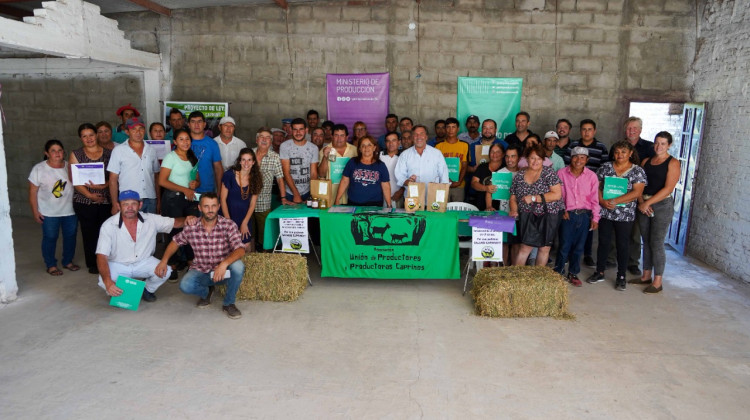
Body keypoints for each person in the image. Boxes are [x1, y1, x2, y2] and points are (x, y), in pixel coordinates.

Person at [157, 193, 247, 319]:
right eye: (206, 206)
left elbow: (240, 249)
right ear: (199, 208)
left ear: (219, 207)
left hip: (223, 272)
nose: (210, 210)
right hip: (202, 270)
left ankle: (229, 303)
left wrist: (224, 264)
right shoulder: (192, 226)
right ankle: (207, 292)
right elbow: (175, 242)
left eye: (213, 206)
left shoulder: (228, 225)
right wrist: (164, 261)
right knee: (185, 285)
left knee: (238, 266)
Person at [96, 190, 196, 302]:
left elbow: (176, 222)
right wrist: (108, 282)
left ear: (140, 205)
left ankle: (147, 289)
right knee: (103, 280)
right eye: (125, 204)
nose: (130, 207)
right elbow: (101, 256)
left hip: (143, 261)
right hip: (118, 263)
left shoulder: (151, 219)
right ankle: (117, 290)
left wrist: (188, 219)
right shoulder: (108, 226)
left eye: (133, 203)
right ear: (118, 206)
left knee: (166, 271)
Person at [586, 141, 647, 291]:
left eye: (623, 152)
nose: (620, 155)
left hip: (625, 215)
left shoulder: (637, 171)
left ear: (630, 153)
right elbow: (597, 187)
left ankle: (621, 276)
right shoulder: (605, 167)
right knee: (604, 242)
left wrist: (614, 201)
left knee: (623, 244)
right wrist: (601, 200)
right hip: (606, 212)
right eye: (617, 152)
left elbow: (637, 193)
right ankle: (599, 271)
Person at [632, 132, 681, 294]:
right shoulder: (646, 161)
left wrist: (648, 203)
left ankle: (657, 281)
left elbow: (668, 188)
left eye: (663, 144)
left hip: (661, 205)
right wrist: (641, 202)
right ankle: (646, 275)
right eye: (657, 143)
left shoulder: (673, 163)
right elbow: (638, 184)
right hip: (644, 204)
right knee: (645, 240)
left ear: (669, 145)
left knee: (657, 242)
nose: (659, 147)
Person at [28, 139, 78, 276]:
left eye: (60, 150)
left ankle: (67, 261)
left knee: (71, 236)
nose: (57, 153)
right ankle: (51, 264)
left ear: (64, 152)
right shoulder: (39, 169)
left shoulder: (69, 167)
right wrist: (35, 211)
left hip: (69, 211)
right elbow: (32, 192)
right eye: (53, 151)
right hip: (48, 212)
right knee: (50, 237)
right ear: (47, 153)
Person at [508, 143, 564, 266]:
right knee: (525, 247)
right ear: (527, 158)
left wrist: (534, 198)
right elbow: (513, 197)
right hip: (527, 215)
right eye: (533, 158)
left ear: (543, 160)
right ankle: (516, 279)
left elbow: (557, 194)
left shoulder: (548, 172)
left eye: (539, 158)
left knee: (544, 248)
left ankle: (538, 279)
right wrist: (514, 210)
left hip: (549, 215)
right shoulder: (519, 176)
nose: (535, 161)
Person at [614, 116, 655, 276]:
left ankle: (632, 262)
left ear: (640, 130)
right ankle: (611, 259)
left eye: (635, 128)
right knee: (613, 230)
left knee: (635, 232)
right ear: (625, 130)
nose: (632, 131)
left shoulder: (649, 147)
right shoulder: (616, 146)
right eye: (629, 128)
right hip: (617, 193)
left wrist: (640, 196)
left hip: (639, 195)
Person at [554, 147, 600, 286]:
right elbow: (558, 195)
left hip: (584, 216)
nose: (578, 160)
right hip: (567, 215)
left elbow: (594, 199)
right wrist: (562, 210)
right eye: (575, 156)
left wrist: (595, 218)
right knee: (564, 245)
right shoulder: (561, 173)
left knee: (579, 248)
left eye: (582, 157)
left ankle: (573, 272)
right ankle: (558, 271)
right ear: (570, 158)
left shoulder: (592, 176)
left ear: (587, 160)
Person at [70, 123, 112, 274]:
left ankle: (107, 261)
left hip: (106, 199)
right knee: (89, 233)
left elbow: (114, 176)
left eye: (91, 135)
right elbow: (75, 180)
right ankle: (93, 264)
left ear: (96, 135)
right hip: (85, 201)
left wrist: (104, 186)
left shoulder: (108, 153)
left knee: (106, 232)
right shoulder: (76, 154)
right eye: (84, 136)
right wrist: (90, 195)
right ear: (80, 138)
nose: (89, 139)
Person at [159, 129, 201, 279]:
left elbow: (197, 179)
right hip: (172, 200)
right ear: (175, 142)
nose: (185, 142)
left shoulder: (192, 157)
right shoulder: (170, 157)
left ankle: (191, 263)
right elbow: (162, 181)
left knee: (192, 230)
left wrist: (195, 183)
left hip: (190, 199)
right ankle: (172, 266)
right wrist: (184, 189)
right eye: (181, 139)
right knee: (174, 233)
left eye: (187, 139)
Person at [568, 119, 609, 267]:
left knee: (589, 226)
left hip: (592, 189)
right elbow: (568, 166)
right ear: (580, 131)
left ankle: (588, 255)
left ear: (594, 131)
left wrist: (599, 189)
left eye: (589, 129)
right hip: (573, 189)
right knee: (571, 228)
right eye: (584, 129)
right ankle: (570, 255)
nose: (586, 132)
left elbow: (605, 169)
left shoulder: (601, 147)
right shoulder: (573, 145)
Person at [108, 117, 160, 215]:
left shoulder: (151, 150)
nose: (138, 132)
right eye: (134, 129)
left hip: (150, 199)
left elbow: (156, 176)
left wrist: (158, 201)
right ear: (127, 132)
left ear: (144, 131)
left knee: (151, 229)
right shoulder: (118, 150)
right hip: (128, 200)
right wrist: (115, 204)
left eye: (141, 129)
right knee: (130, 229)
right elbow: (113, 179)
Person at [394, 125, 450, 205]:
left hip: (433, 201)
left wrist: (441, 197)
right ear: (413, 137)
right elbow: (399, 175)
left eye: (421, 134)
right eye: (415, 134)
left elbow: (444, 176)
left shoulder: (436, 153)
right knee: (412, 217)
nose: (418, 137)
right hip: (412, 201)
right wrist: (407, 181)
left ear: (426, 137)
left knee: (432, 217)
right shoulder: (405, 155)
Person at [253, 128, 288, 250]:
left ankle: (264, 257)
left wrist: (283, 198)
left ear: (271, 142)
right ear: (257, 140)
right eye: (261, 137)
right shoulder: (248, 154)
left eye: (267, 137)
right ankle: (250, 256)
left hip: (263, 202)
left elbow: (280, 179)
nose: (264, 139)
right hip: (245, 201)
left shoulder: (275, 157)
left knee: (264, 234)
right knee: (248, 232)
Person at [221, 148, 262, 250]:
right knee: (228, 246)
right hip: (228, 216)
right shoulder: (229, 175)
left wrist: (245, 223)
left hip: (244, 217)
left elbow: (253, 204)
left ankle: (245, 266)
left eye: (249, 160)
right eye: (243, 159)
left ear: (253, 162)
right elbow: (222, 199)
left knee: (245, 246)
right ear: (239, 161)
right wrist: (228, 223)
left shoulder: (256, 178)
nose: (246, 163)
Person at [335, 136, 391, 207]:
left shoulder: (381, 166)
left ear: (374, 148)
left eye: (369, 145)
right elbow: (344, 181)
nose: (366, 148)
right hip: (354, 203)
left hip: (374, 204)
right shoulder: (352, 162)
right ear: (360, 149)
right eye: (363, 145)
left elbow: (386, 186)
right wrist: (337, 199)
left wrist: (389, 204)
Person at [280, 118, 319, 203]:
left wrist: (313, 194)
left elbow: (313, 173)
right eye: (295, 130)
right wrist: (296, 194)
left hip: (308, 192)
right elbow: (286, 172)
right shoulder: (285, 146)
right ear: (291, 130)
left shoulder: (313, 148)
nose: (298, 133)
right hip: (290, 193)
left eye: (301, 129)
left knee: (310, 216)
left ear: (306, 130)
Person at [318, 124, 357, 204]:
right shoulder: (324, 150)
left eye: (342, 135)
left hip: (351, 194)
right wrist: (325, 157)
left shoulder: (354, 150)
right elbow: (321, 175)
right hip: (331, 194)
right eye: (336, 135)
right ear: (332, 136)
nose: (339, 139)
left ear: (347, 137)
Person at [187, 111, 223, 195]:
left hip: (207, 191)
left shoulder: (212, 144)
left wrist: (219, 192)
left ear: (204, 124)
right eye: (193, 121)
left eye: (199, 121)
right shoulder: (182, 142)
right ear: (188, 124)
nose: (196, 125)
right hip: (186, 190)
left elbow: (218, 168)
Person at [436, 117, 469, 202]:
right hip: (443, 185)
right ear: (445, 129)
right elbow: (435, 166)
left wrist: (459, 182)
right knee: (442, 210)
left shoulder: (464, 145)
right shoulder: (438, 146)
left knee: (457, 210)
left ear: (458, 129)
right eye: (448, 127)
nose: (451, 130)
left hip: (459, 186)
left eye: (453, 127)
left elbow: (465, 166)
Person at [471, 143, 505, 210]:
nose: (495, 154)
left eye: (498, 152)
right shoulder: (482, 167)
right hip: (480, 205)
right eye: (492, 152)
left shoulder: (505, 169)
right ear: (489, 154)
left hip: (501, 207)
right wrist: (485, 188)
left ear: (503, 154)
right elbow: (473, 183)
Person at [380, 131, 403, 207]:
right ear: (385, 143)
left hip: (398, 196)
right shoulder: (379, 156)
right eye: (388, 141)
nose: (391, 143)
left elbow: (409, 176)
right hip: (380, 196)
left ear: (399, 142)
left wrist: (401, 191)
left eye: (394, 140)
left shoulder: (404, 157)